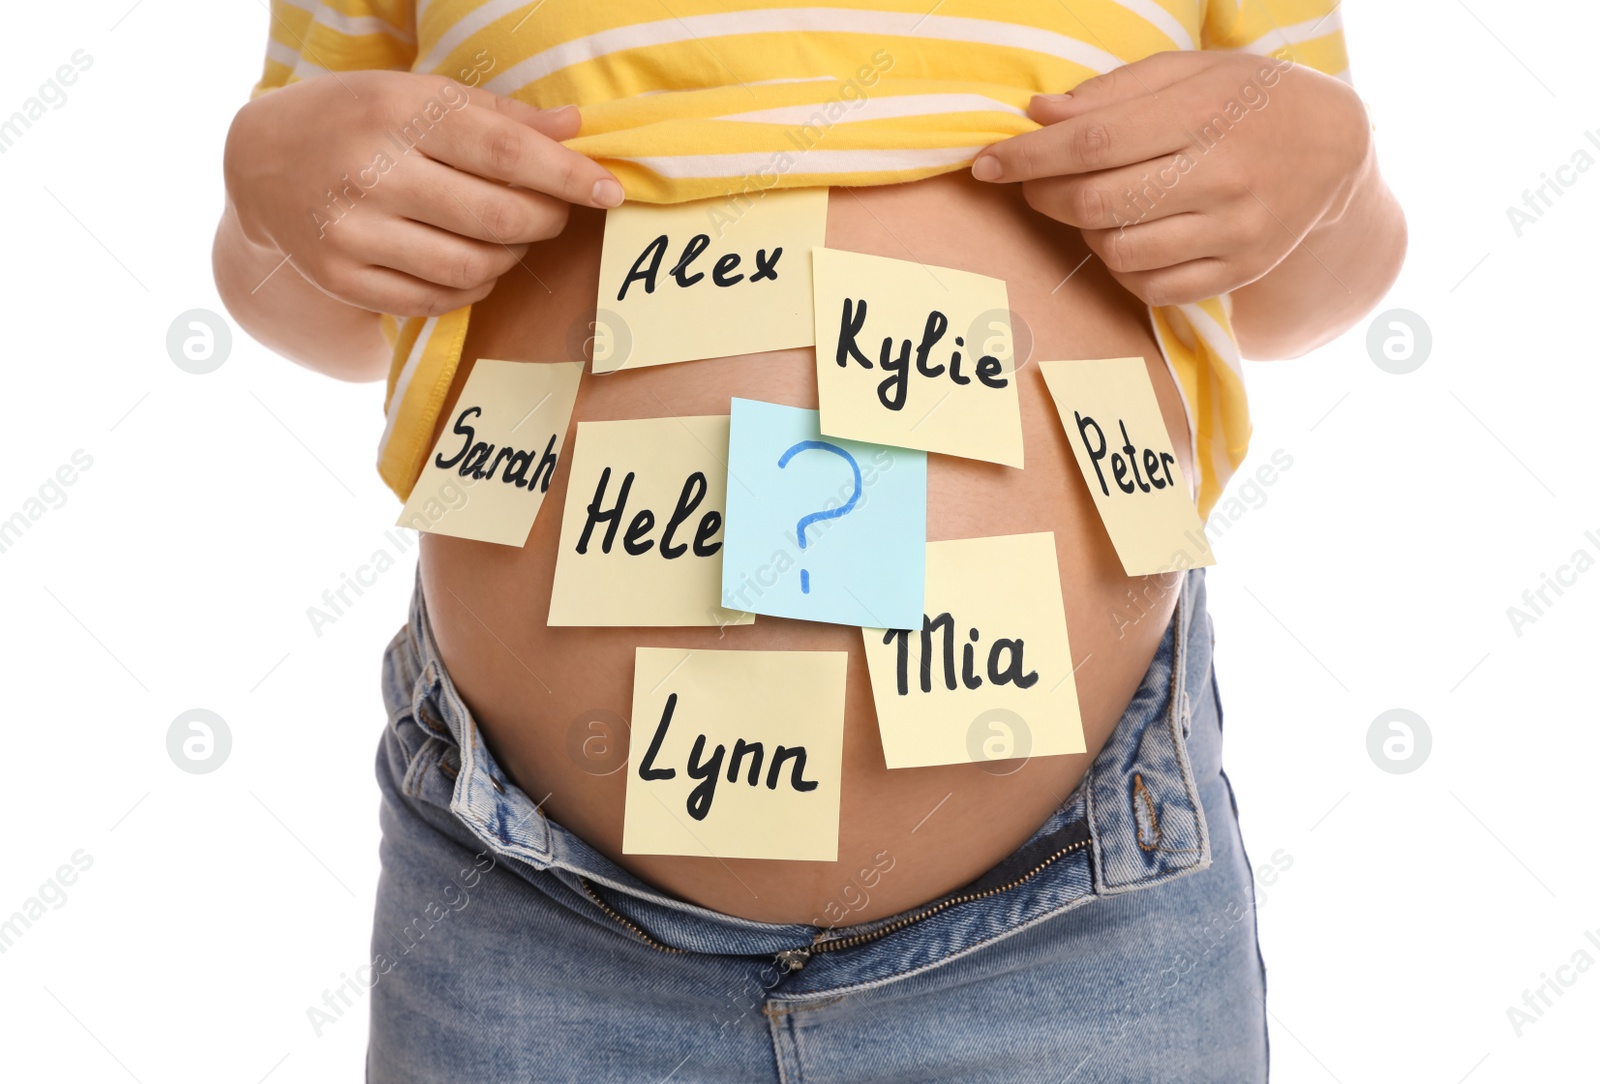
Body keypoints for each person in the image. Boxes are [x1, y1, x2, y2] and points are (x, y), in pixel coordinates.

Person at [214, 3, 1404, 1080]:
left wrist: (1333, 176)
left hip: (1080, 896)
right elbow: (326, 302)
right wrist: (274, 190)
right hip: (525, 903)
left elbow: (1294, 297)